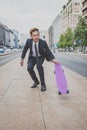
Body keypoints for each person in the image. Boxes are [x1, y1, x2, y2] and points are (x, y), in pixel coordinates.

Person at [20, 28, 58, 92]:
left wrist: (53, 59)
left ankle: (43, 85)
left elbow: (48, 51)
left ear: (39, 35)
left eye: (37, 35)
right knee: (29, 68)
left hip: (40, 56)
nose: (36, 37)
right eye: (34, 35)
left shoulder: (43, 42)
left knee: (39, 66)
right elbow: (24, 50)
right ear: (31, 36)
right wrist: (22, 59)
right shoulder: (28, 41)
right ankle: (36, 81)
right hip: (32, 57)